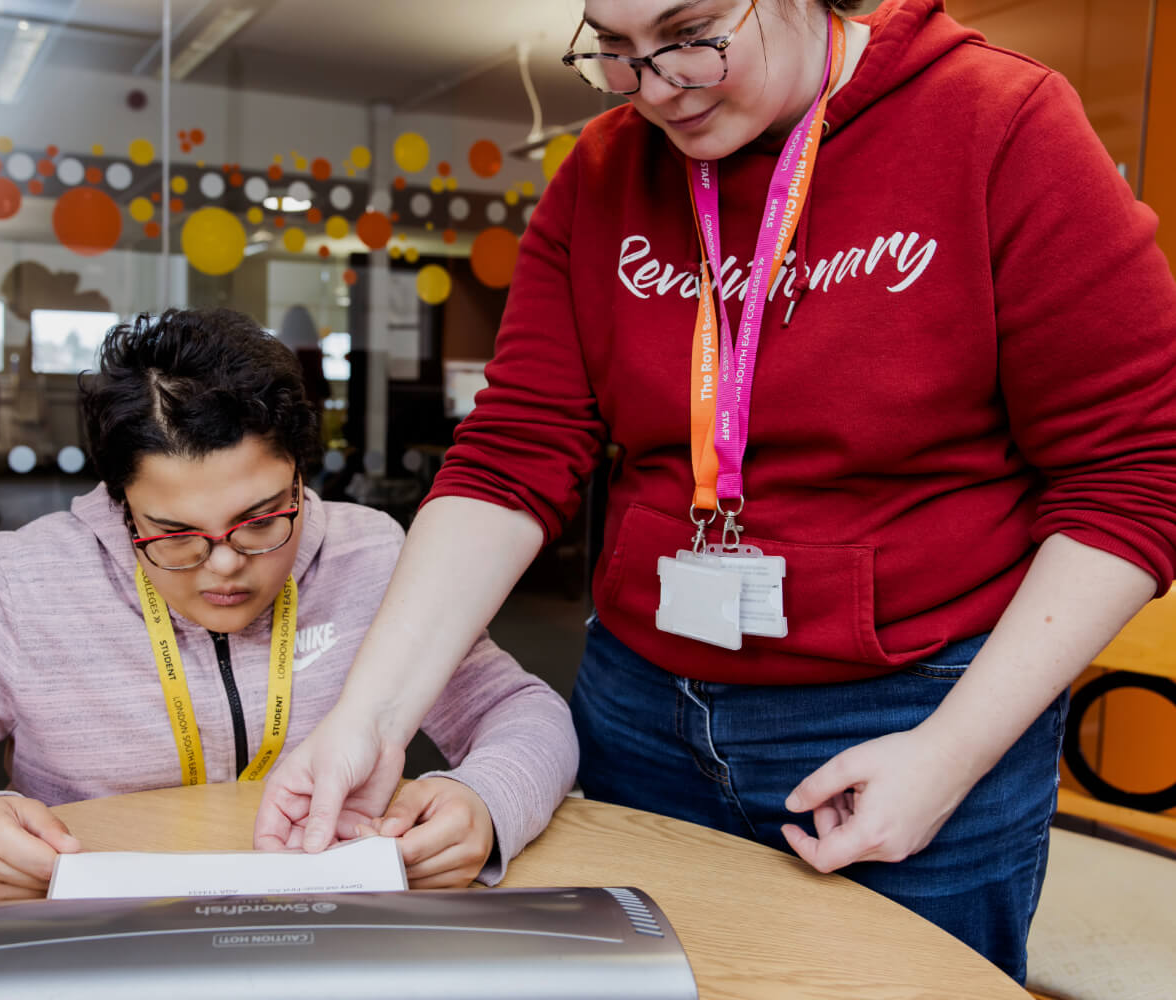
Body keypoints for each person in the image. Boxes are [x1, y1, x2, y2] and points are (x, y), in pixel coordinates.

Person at [254, 0, 1176, 983]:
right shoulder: (604, 169)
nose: (653, 90)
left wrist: (950, 752)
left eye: (689, 37)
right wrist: (370, 721)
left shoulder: (1002, 123)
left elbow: (1136, 472)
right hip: (638, 706)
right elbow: (511, 455)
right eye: (613, 50)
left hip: (913, 709)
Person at [0, 307, 576, 904]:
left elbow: (525, 713)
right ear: (122, 503)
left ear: (303, 475)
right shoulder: (25, 585)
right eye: (175, 533)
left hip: (330, 931)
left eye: (263, 520)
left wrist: (486, 803)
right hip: (107, 946)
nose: (226, 565)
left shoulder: (374, 557)